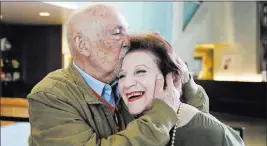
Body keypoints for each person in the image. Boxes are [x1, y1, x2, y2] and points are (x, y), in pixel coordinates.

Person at [27, 4, 208, 146]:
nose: (127, 40)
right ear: (82, 45)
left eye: (126, 31)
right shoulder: (50, 95)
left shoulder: (129, 81)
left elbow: (200, 119)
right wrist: (162, 113)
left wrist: (182, 77)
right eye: (117, 32)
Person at [118, 33, 245, 146]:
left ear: (172, 78)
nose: (127, 83)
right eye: (122, 75)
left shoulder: (214, 134)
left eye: (140, 71)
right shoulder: (126, 131)